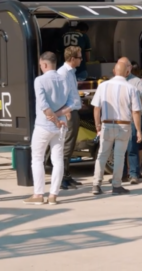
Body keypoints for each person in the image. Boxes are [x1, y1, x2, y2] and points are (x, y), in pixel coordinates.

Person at [24, 52, 74, 206]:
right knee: (58, 159)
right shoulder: (66, 79)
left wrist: (54, 119)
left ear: (44, 64)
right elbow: (74, 103)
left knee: (37, 158)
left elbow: (44, 105)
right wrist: (60, 117)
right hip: (61, 126)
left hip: (43, 125)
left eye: (40, 65)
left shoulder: (39, 80)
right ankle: (53, 195)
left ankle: (38, 194)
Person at [91, 61, 142, 195]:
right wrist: (138, 130)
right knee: (119, 156)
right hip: (124, 125)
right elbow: (136, 111)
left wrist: (97, 126)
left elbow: (96, 108)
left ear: (114, 71)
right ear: (127, 72)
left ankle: (96, 184)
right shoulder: (131, 88)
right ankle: (116, 185)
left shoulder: (103, 86)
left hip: (106, 124)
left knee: (102, 155)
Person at [57, 46, 83, 190]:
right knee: (66, 146)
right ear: (72, 59)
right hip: (68, 112)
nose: (81, 59)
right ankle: (61, 177)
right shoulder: (63, 73)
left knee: (70, 145)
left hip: (73, 111)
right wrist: (65, 110)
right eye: (79, 57)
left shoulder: (71, 72)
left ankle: (66, 175)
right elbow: (60, 93)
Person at [119, 57, 142, 185]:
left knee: (132, 148)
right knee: (120, 150)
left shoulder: (136, 81)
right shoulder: (114, 81)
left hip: (132, 119)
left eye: (124, 66)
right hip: (119, 119)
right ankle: (121, 175)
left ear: (129, 68)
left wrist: (129, 90)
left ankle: (134, 174)